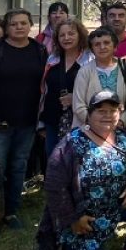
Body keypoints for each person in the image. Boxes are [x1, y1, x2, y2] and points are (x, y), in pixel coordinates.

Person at [39, 91, 126, 250]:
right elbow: (54, 186)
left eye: (113, 110)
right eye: (101, 111)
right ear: (89, 114)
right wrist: (72, 219)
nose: (108, 115)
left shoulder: (124, 137)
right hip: (85, 220)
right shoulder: (70, 144)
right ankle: (68, 248)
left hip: (116, 207)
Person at [0, 8, 48, 232]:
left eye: (24, 23)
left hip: (26, 123)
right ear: (7, 27)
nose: (19, 27)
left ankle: (10, 211)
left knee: (18, 168)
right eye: (14, 24)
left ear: (31, 25)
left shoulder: (39, 50)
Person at [39, 19, 92, 157]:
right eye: (62, 35)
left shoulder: (90, 60)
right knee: (52, 157)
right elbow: (45, 90)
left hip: (80, 120)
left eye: (71, 34)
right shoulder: (53, 59)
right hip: (53, 118)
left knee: (75, 158)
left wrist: (74, 97)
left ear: (80, 35)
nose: (66, 38)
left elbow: (96, 91)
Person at [73, 28, 126, 130]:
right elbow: (78, 105)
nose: (102, 47)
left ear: (114, 46)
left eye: (106, 43)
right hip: (90, 131)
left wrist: (122, 121)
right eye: (97, 44)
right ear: (92, 49)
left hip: (120, 128)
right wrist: (96, 124)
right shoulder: (84, 71)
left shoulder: (125, 67)